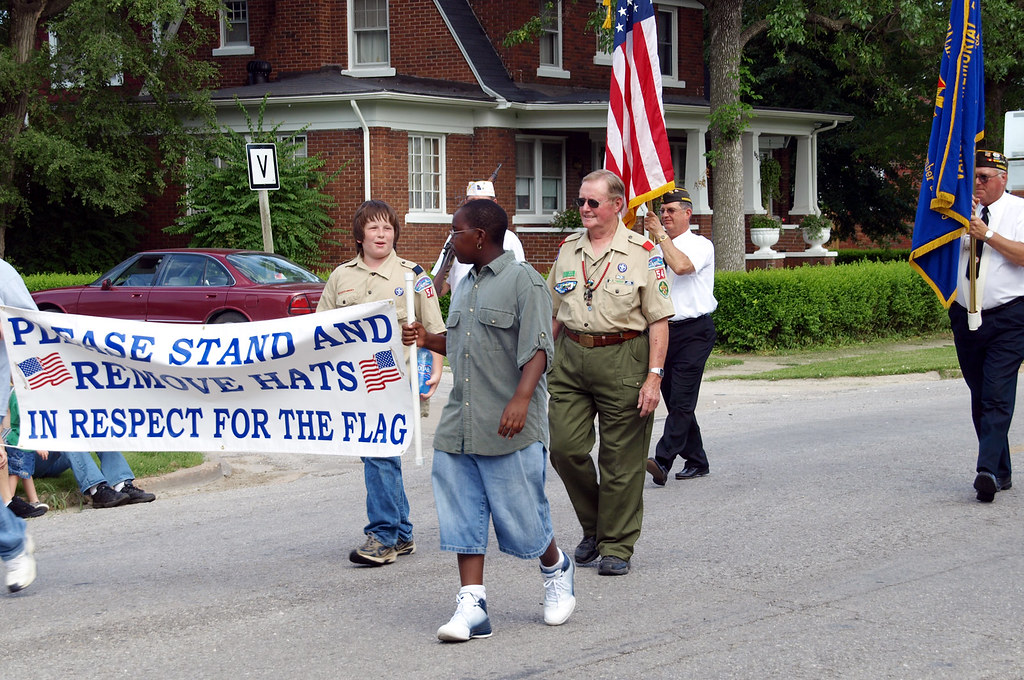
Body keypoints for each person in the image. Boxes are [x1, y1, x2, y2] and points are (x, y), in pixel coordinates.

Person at [402, 199, 575, 641]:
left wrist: (521, 399)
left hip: (510, 420)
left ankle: (555, 568)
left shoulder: (526, 283)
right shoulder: (465, 285)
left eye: (456, 231)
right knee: (462, 512)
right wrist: (426, 338)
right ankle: (473, 604)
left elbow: (539, 348)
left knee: (521, 513)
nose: (450, 239)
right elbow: (461, 343)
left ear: (480, 236)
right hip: (462, 420)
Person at [547, 169, 674, 576]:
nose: (583, 208)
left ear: (617, 205)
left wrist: (654, 378)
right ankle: (595, 528)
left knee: (621, 460)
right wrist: (540, 360)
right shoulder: (568, 249)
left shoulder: (644, 251)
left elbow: (658, 320)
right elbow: (552, 312)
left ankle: (616, 544)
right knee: (565, 449)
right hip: (570, 357)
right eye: (580, 201)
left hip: (624, 356)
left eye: (592, 202)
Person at [317, 199, 445, 566]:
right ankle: (402, 533)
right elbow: (319, 330)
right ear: (359, 235)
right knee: (380, 454)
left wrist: (435, 369)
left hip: (395, 378)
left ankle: (384, 535)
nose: (381, 234)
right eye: (373, 227)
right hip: (354, 381)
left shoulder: (413, 275)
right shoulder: (341, 277)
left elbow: (435, 328)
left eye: (387, 228)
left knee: (379, 453)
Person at [949, 149, 1024, 503]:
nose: (977, 185)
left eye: (984, 178)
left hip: (1009, 317)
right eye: (973, 178)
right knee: (980, 395)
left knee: (996, 394)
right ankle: (1001, 470)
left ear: (1003, 178)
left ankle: (986, 471)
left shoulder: (1018, 211)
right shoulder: (960, 213)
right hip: (965, 314)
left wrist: (986, 233)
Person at [642, 189, 718, 485]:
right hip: (663, 332)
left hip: (694, 331)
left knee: (683, 399)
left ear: (688, 213)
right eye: (663, 211)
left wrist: (660, 235)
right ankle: (697, 460)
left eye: (672, 210)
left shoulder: (700, 245)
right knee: (675, 400)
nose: (665, 215)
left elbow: (682, 266)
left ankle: (662, 460)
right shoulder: (655, 245)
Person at [0, 258, 38, 591]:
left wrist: (32, 384)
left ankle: (12, 546)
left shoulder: (2, 273)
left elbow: (31, 328)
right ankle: (13, 535)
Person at [431, 180, 526, 295]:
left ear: (494, 203)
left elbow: (520, 286)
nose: (476, 207)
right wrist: (449, 257)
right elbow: (439, 291)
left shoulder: (509, 239)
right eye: (472, 202)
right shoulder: (456, 237)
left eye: (483, 202)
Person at [33, 449, 156, 508]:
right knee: (65, 440)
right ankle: (97, 489)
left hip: (55, 454)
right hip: (34, 458)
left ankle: (122, 484)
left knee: (95, 432)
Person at [6, 391, 50, 516]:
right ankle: (8, 501)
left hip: (24, 443)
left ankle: (34, 501)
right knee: (15, 472)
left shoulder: (22, 392)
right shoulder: (20, 395)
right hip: (21, 441)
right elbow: (27, 420)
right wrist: (37, 445)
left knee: (26, 472)